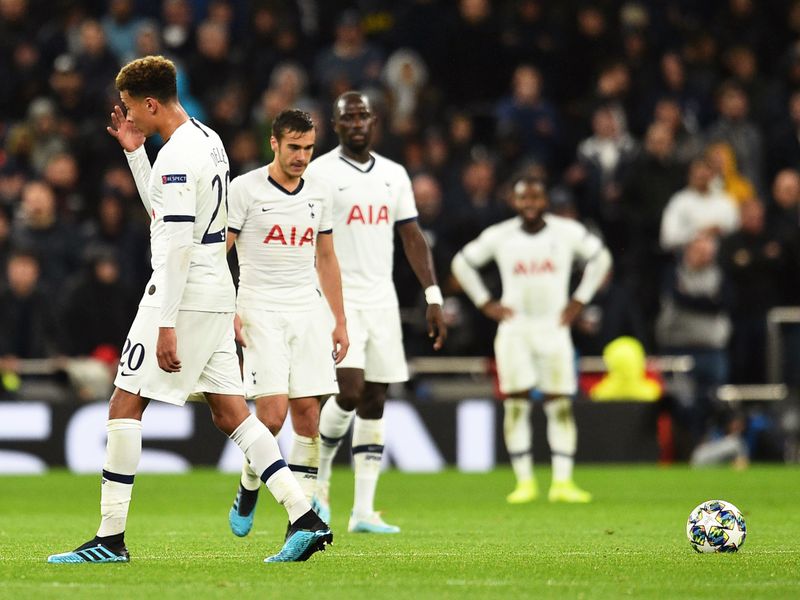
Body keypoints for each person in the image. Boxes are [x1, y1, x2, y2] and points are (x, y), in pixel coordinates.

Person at [47, 55, 331, 564]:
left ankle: (110, 540)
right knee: (232, 414)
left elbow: (174, 244)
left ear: (151, 102)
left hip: (184, 292)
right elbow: (165, 215)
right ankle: (304, 515)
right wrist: (136, 155)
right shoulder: (207, 139)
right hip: (215, 289)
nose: (129, 117)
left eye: (133, 109)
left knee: (124, 404)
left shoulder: (178, 159)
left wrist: (165, 322)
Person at [304, 91, 446, 534]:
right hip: (336, 301)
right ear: (336, 124)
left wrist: (433, 295)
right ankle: (319, 484)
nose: (357, 124)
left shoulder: (394, 174)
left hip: (381, 299)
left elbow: (412, 237)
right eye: (349, 118)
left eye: (363, 116)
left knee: (376, 399)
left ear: (375, 121)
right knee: (348, 391)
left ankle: (363, 510)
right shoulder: (320, 173)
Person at [224, 109, 348, 537]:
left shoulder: (320, 192)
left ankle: (303, 519)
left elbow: (326, 257)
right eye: (294, 147)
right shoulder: (245, 189)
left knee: (308, 417)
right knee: (272, 417)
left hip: (307, 308)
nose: (301, 156)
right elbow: (220, 253)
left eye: (309, 148)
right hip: (258, 307)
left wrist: (339, 320)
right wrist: (228, 311)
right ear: (273, 143)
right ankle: (249, 483)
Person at [451, 175, 612, 504]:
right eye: (523, 198)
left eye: (536, 197)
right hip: (516, 329)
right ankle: (524, 482)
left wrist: (580, 299)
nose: (530, 204)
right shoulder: (501, 235)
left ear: (545, 200)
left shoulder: (566, 232)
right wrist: (485, 302)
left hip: (554, 326)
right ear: (514, 200)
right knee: (516, 403)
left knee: (560, 403)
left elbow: (601, 258)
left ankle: (562, 482)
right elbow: (462, 263)